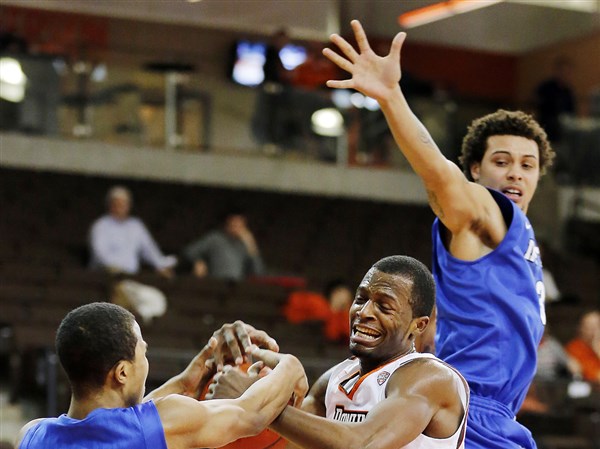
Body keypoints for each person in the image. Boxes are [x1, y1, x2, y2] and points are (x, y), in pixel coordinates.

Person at [322, 20, 555, 448]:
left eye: (528, 165)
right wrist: (391, 98)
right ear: (476, 171)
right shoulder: (484, 212)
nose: (515, 174)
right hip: (471, 412)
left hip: (491, 415)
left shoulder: (519, 240)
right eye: (502, 161)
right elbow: (440, 175)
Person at [211, 255, 470, 448]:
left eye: (384, 306)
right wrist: (249, 386)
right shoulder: (334, 379)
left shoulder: (432, 378)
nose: (363, 312)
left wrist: (256, 401)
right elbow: (288, 442)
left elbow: (363, 444)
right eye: (361, 299)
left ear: (418, 325)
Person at [15, 302, 308, 449]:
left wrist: (182, 383)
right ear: (122, 372)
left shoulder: (32, 435)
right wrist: (290, 365)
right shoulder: (157, 425)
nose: (146, 360)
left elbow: (120, 427)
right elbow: (251, 413)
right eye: (143, 352)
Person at [89, 186, 177, 278]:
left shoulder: (136, 226)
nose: (121, 207)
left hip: (131, 276)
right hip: (106, 276)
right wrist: (113, 267)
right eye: (117, 204)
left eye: (124, 204)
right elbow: (99, 254)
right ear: (110, 205)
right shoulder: (101, 226)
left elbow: (149, 250)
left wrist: (161, 266)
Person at [181, 209, 264, 281]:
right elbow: (189, 251)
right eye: (234, 222)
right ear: (227, 223)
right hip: (216, 284)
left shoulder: (245, 244)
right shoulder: (215, 238)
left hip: (237, 287)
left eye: (240, 223)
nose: (237, 226)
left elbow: (259, 272)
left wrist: (251, 245)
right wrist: (198, 261)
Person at [535, 56, 576, 143]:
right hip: (548, 123)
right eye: (563, 71)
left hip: (565, 124)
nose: (565, 74)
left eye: (567, 72)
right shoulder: (546, 87)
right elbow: (538, 105)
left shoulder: (568, 90)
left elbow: (572, 110)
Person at [566, 310, 600, 384]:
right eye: (589, 327)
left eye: (597, 326)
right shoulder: (574, 348)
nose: (594, 331)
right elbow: (594, 377)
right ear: (581, 328)